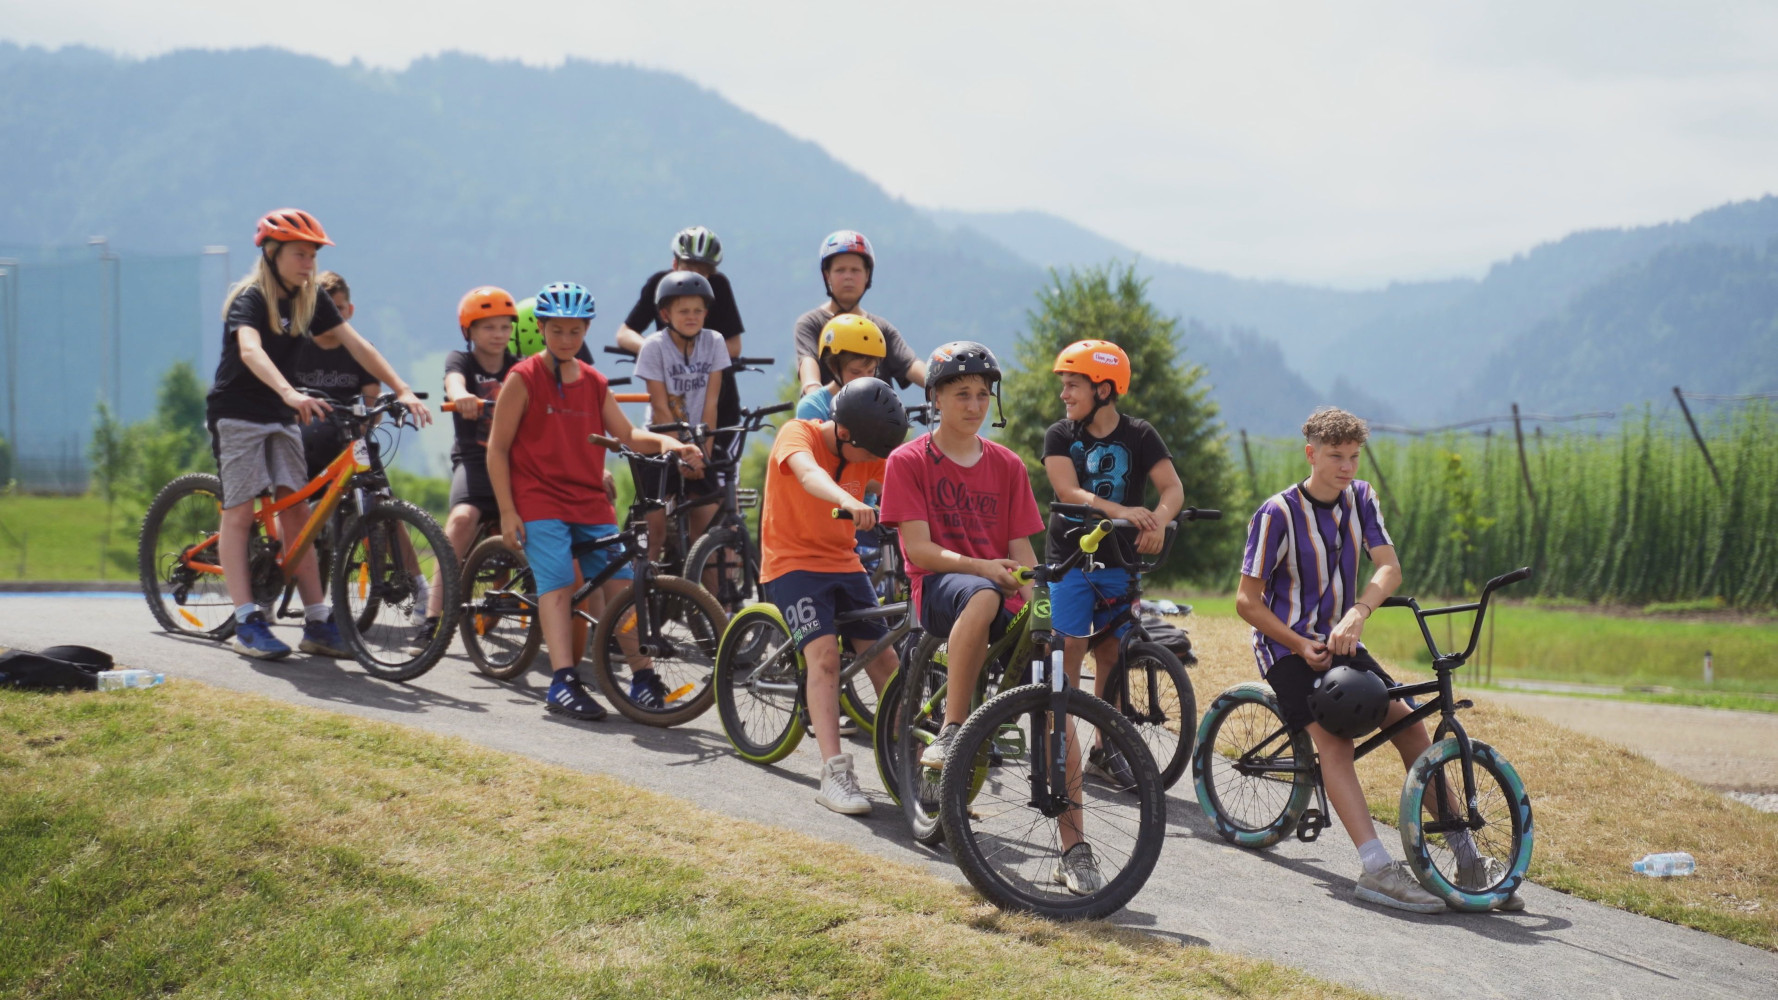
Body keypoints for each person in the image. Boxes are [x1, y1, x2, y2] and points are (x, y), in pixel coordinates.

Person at [1236, 406, 1522, 913]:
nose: (1346, 467)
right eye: (1335, 456)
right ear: (1311, 454)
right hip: (1286, 647)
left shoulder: (1362, 498)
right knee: (1335, 742)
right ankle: (1375, 869)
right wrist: (1300, 644)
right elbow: (1246, 602)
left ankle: (1466, 858)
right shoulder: (1276, 514)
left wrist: (1358, 612)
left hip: (1343, 641)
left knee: (1408, 722)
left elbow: (1389, 568)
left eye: (1353, 456)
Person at [881, 342, 1110, 896]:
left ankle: (1074, 848)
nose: (975, 405)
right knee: (983, 595)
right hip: (940, 587)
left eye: (983, 395)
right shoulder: (907, 461)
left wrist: (1044, 610)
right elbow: (919, 549)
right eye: (962, 394)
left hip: (997, 587)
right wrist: (984, 567)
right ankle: (953, 729)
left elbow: (1024, 557)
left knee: (1056, 693)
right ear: (935, 399)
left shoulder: (1006, 465)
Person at [205, 208, 430, 661]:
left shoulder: (311, 299)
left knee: (297, 512)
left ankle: (317, 620)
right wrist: (290, 392)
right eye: (299, 254)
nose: (308, 264)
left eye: (312, 255)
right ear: (272, 254)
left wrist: (402, 388)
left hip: (282, 413)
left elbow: (357, 345)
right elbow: (250, 349)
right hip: (239, 413)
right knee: (240, 511)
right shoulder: (251, 298)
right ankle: (248, 618)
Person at [485, 281, 702, 722]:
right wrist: (507, 511)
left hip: (587, 499)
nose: (566, 339)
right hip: (538, 498)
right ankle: (562, 681)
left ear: (586, 330)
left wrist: (671, 444)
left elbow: (630, 435)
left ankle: (643, 678)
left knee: (622, 584)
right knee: (560, 581)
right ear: (541, 328)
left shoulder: (594, 382)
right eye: (557, 330)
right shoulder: (523, 378)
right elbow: (498, 448)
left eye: (575, 331)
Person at [758, 377, 910, 813]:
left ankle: (914, 760)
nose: (874, 462)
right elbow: (809, 474)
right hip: (791, 564)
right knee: (824, 656)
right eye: (870, 453)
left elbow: (904, 485)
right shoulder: (798, 434)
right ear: (843, 432)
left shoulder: (868, 451)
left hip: (844, 564)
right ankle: (834, 774)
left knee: (885, 659)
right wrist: (849, 499)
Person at [1041, 340, 1184, 789]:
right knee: (1069, 649)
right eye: (1064, 385)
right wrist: (1123, 511)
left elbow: (1172, 489)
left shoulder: (1140, 434)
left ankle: (1105, 751)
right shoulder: (1060, 435)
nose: (1064, 394)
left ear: (1103, 389)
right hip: (1070, 559)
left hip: (1120, 561)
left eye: (1073, 385)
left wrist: (1157, 521)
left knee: (1113, 654)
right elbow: (1068, 492)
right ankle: (1061, 750)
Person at [410, 285, 521, 651]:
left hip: (516, 463)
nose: (498, 334)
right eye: (488, 327)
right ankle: (432, 619)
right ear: (469, 331)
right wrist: (461, 397)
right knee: (460, 521)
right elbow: (453, 381)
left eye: (504, 326)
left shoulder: (519, 367)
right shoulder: (461, 360)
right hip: (474, 460)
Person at [614, 226, 746, 464]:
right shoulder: (660, 285)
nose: (696, 274)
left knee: (719, 472)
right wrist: (659, 353)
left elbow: (734, 345)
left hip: (717, 397)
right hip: (668, 393)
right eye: (689, 267)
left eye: (703, 270)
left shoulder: (719, 286)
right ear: (674, 264)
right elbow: (625, 334)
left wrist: (703, 356)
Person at [633, 271, 728, 564]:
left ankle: (709, 595)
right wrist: (680, 454)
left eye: (698, 311)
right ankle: (639, 588)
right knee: (654, 534)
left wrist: (703, 456)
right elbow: (660, 408)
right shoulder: (654, 347)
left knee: (707, 533)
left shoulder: (714, 342)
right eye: (683, 311)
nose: (692, 317)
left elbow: (711, 404)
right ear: (665, 314)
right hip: (661, 442)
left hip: (699, 445)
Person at [792, 230, 925, 402]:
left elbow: (911, 365)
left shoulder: (880, 328)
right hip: (828, 415)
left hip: (880, 416)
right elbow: (808, 365)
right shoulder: (811, 323)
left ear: (867, 275)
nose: (848, 276)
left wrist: (941, 385)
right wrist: (813, 395)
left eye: (855, 270)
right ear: (827, 275)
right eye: (840, 270)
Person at [289, 271, 380, 480]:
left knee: (377, 487)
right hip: (304, 443)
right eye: (322, 310)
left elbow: (372, 407)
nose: (330, 317)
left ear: (350, 310)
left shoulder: (362, 351)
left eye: (337, 309)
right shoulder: (295, 350)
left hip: (349, 439)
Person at [794, 313, 886, 421]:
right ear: (833, 367)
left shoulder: (880, 403)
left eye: (871, 370)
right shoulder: (814, 406)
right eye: (855, 372)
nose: (865, 378)